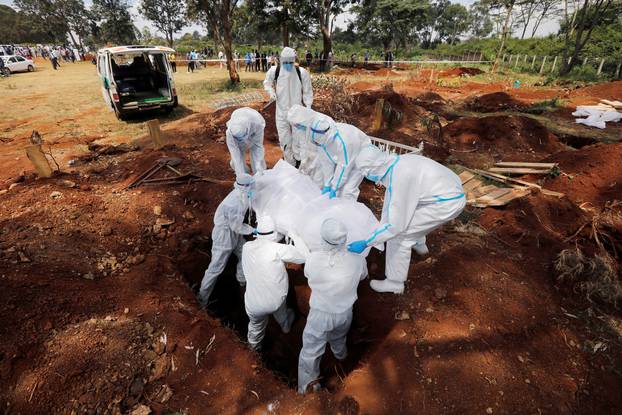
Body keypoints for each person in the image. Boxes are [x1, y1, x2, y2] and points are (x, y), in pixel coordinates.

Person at [347, 145, 466, 294]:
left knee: (401, 236)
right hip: (444, 192)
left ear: (370, 170)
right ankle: (420, 245)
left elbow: (396, 226)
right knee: (411, 218)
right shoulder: (396, 164)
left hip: (446, 203)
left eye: (365, 172)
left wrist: (367, 242)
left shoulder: (401, 178)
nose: (365, 176)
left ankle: (394, 283)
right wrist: (381, 229)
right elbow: (391, 206)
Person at [298, 218, 367, 394]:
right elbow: (362, 276)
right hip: (344, 313)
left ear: (323, 239)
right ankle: (341, 357)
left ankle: (307, 387)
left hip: (320, 314)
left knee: (311, 351)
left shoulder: (313, 260)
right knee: (339, 337)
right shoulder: (357, 261)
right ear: (345, 239)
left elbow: (308, 274)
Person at [242, 216, 308, 351]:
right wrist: (294, 235)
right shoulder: (277, 249)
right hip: (277, 300)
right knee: (282, 314)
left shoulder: (246, 247)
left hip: (254, 303)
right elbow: (303, 256)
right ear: (274, 234)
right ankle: (286, 327)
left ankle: (253, 352)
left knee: (255, 330)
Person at [198, 174, 256, 305]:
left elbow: (250, 199)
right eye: (251, 186)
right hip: (224, 235)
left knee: (245, 253)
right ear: (246, 187)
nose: (253, 188)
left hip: (234, 232)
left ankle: (242, 280)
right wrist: (252, 230)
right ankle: (202, 298)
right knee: (216, 267)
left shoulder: (242, 194)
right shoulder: (233, 204)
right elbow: (236, 226)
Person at [263, 47, 313, 166]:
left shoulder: (302, 73)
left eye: (290, 62)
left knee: (298, 139)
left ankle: (299, 161)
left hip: (298, 112)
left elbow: (307, 91)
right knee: (285, 139)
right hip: (281, 112)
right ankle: (290, 163)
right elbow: (267, 83)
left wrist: (309, 107)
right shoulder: (275, 71)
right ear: (281, 60)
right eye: (285, 63)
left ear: (294, 60)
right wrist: (271, 92)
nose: (288, 65)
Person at [304, 113, 371, 200]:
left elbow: (343, 166)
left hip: (360, 153)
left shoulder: (344, 142)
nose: (318, 144)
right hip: (345, 157)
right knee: (336, 188)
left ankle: (347, 210)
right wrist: (327, 184)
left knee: (347, 190)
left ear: (326, 137)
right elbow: (326, 163)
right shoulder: (321, 142)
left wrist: (334, 187)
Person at [226, 107, 266, 177]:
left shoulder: (257, 124)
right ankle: (246, 174)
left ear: (247, 130)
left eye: (242, 137)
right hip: (239, 115)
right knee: (235, 163)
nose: (241, 141)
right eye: (238, 138)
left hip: (254, 127)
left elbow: (257, 147)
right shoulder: (230, 133)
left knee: (257, 160)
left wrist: (259, 169)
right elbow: (235, 155)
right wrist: (241, 176)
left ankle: (259, 175)